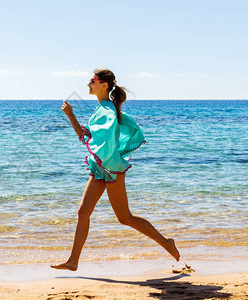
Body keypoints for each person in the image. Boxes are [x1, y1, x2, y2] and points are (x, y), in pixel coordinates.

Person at [51, 68, 180, 271]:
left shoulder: (108, 110)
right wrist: (71, 117)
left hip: (110, 168)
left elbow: (97, 137)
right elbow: (89, 135)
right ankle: (73, 261)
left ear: (104, 85)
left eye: (92, 81)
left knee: (124, 217)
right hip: (102, 168)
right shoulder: (103, 108)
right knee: (83, 211)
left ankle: (166, 243)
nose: (88, 84)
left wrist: (70, 115)